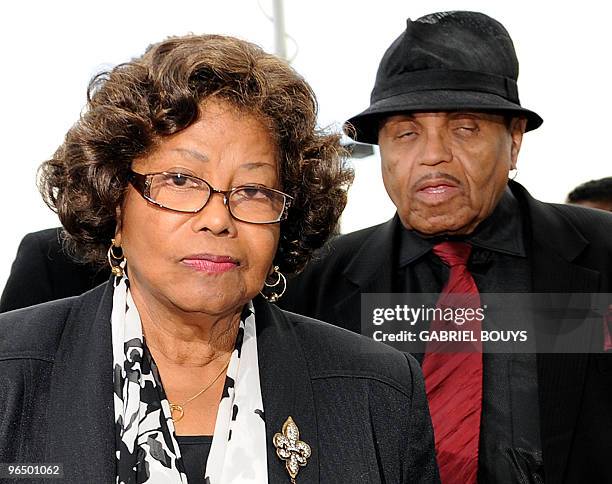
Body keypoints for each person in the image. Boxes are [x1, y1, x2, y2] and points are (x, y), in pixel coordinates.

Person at [0, 34, 439, 483]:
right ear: (114, 203)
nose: (217, 219)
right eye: (181, 180)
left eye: (252, 191)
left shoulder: (378, 391)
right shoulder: (9, 372)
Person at [280, 11, 612, 484]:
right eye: (406, 132)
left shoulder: (603, 257)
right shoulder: (312, 282)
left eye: (464, 127)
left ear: (514, 140)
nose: (433, 154)